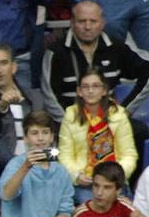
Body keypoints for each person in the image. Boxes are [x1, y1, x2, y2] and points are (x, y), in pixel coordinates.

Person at [45, 0, 149, 122]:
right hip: (70, 123)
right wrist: (71, 126)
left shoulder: (116, 48)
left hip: (109, 122)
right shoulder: (56, 52)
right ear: (72, 23)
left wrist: (125, 111)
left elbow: (146, 72)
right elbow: (50, 95)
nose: (87, 27)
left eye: (93, 21)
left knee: (141, 132)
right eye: (82, 21)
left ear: (102, 23)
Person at [59, 70, 138, 205]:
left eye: (96, 86)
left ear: (104, 90)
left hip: (114, 181)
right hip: (86, 182)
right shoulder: (70, 116)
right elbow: (64, 156)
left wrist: (117, 176)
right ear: (79, 91)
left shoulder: (119, 115)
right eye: (85, 86)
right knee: (92, 207)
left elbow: (129, 155)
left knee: (120, 210)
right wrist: (76, 176)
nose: (90, 91)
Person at [0, 42, 45, 164]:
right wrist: (0, 105)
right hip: (1, 168)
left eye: (3, 63)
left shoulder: (35, 97)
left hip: (38, 165)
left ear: (14, 67)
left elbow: (48, 135)